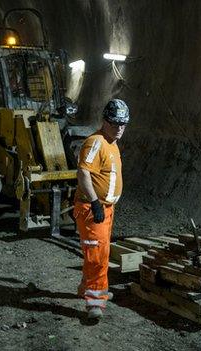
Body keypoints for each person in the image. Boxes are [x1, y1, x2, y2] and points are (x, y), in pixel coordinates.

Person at [74, 99, 129, 319]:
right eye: (115, 124)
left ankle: (87, 288)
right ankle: (95, 302)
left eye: (123, 124)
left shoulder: (112, 143)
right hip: (92, 209)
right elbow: (83, 173)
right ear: (104, 121)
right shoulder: (96, 142)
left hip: (106, 209)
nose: (119, 129)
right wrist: (95, 202)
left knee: (100, 252)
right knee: (97, 255)